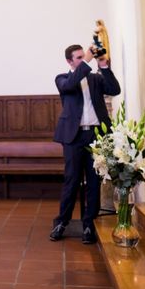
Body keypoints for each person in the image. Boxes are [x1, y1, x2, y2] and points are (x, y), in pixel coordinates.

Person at [50, 44, 121, 244]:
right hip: (73, 138)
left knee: (93, 181)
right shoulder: (62, 79)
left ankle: (89, 224)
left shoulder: (95, 78)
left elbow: (114, 90)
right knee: (71, 180)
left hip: (96, 136)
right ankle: (62, 222)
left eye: (84, 56)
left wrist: (104, 66)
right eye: (79, 57)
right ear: (69, 61)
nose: (83, 59)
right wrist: (88, 61)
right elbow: (69, 86)